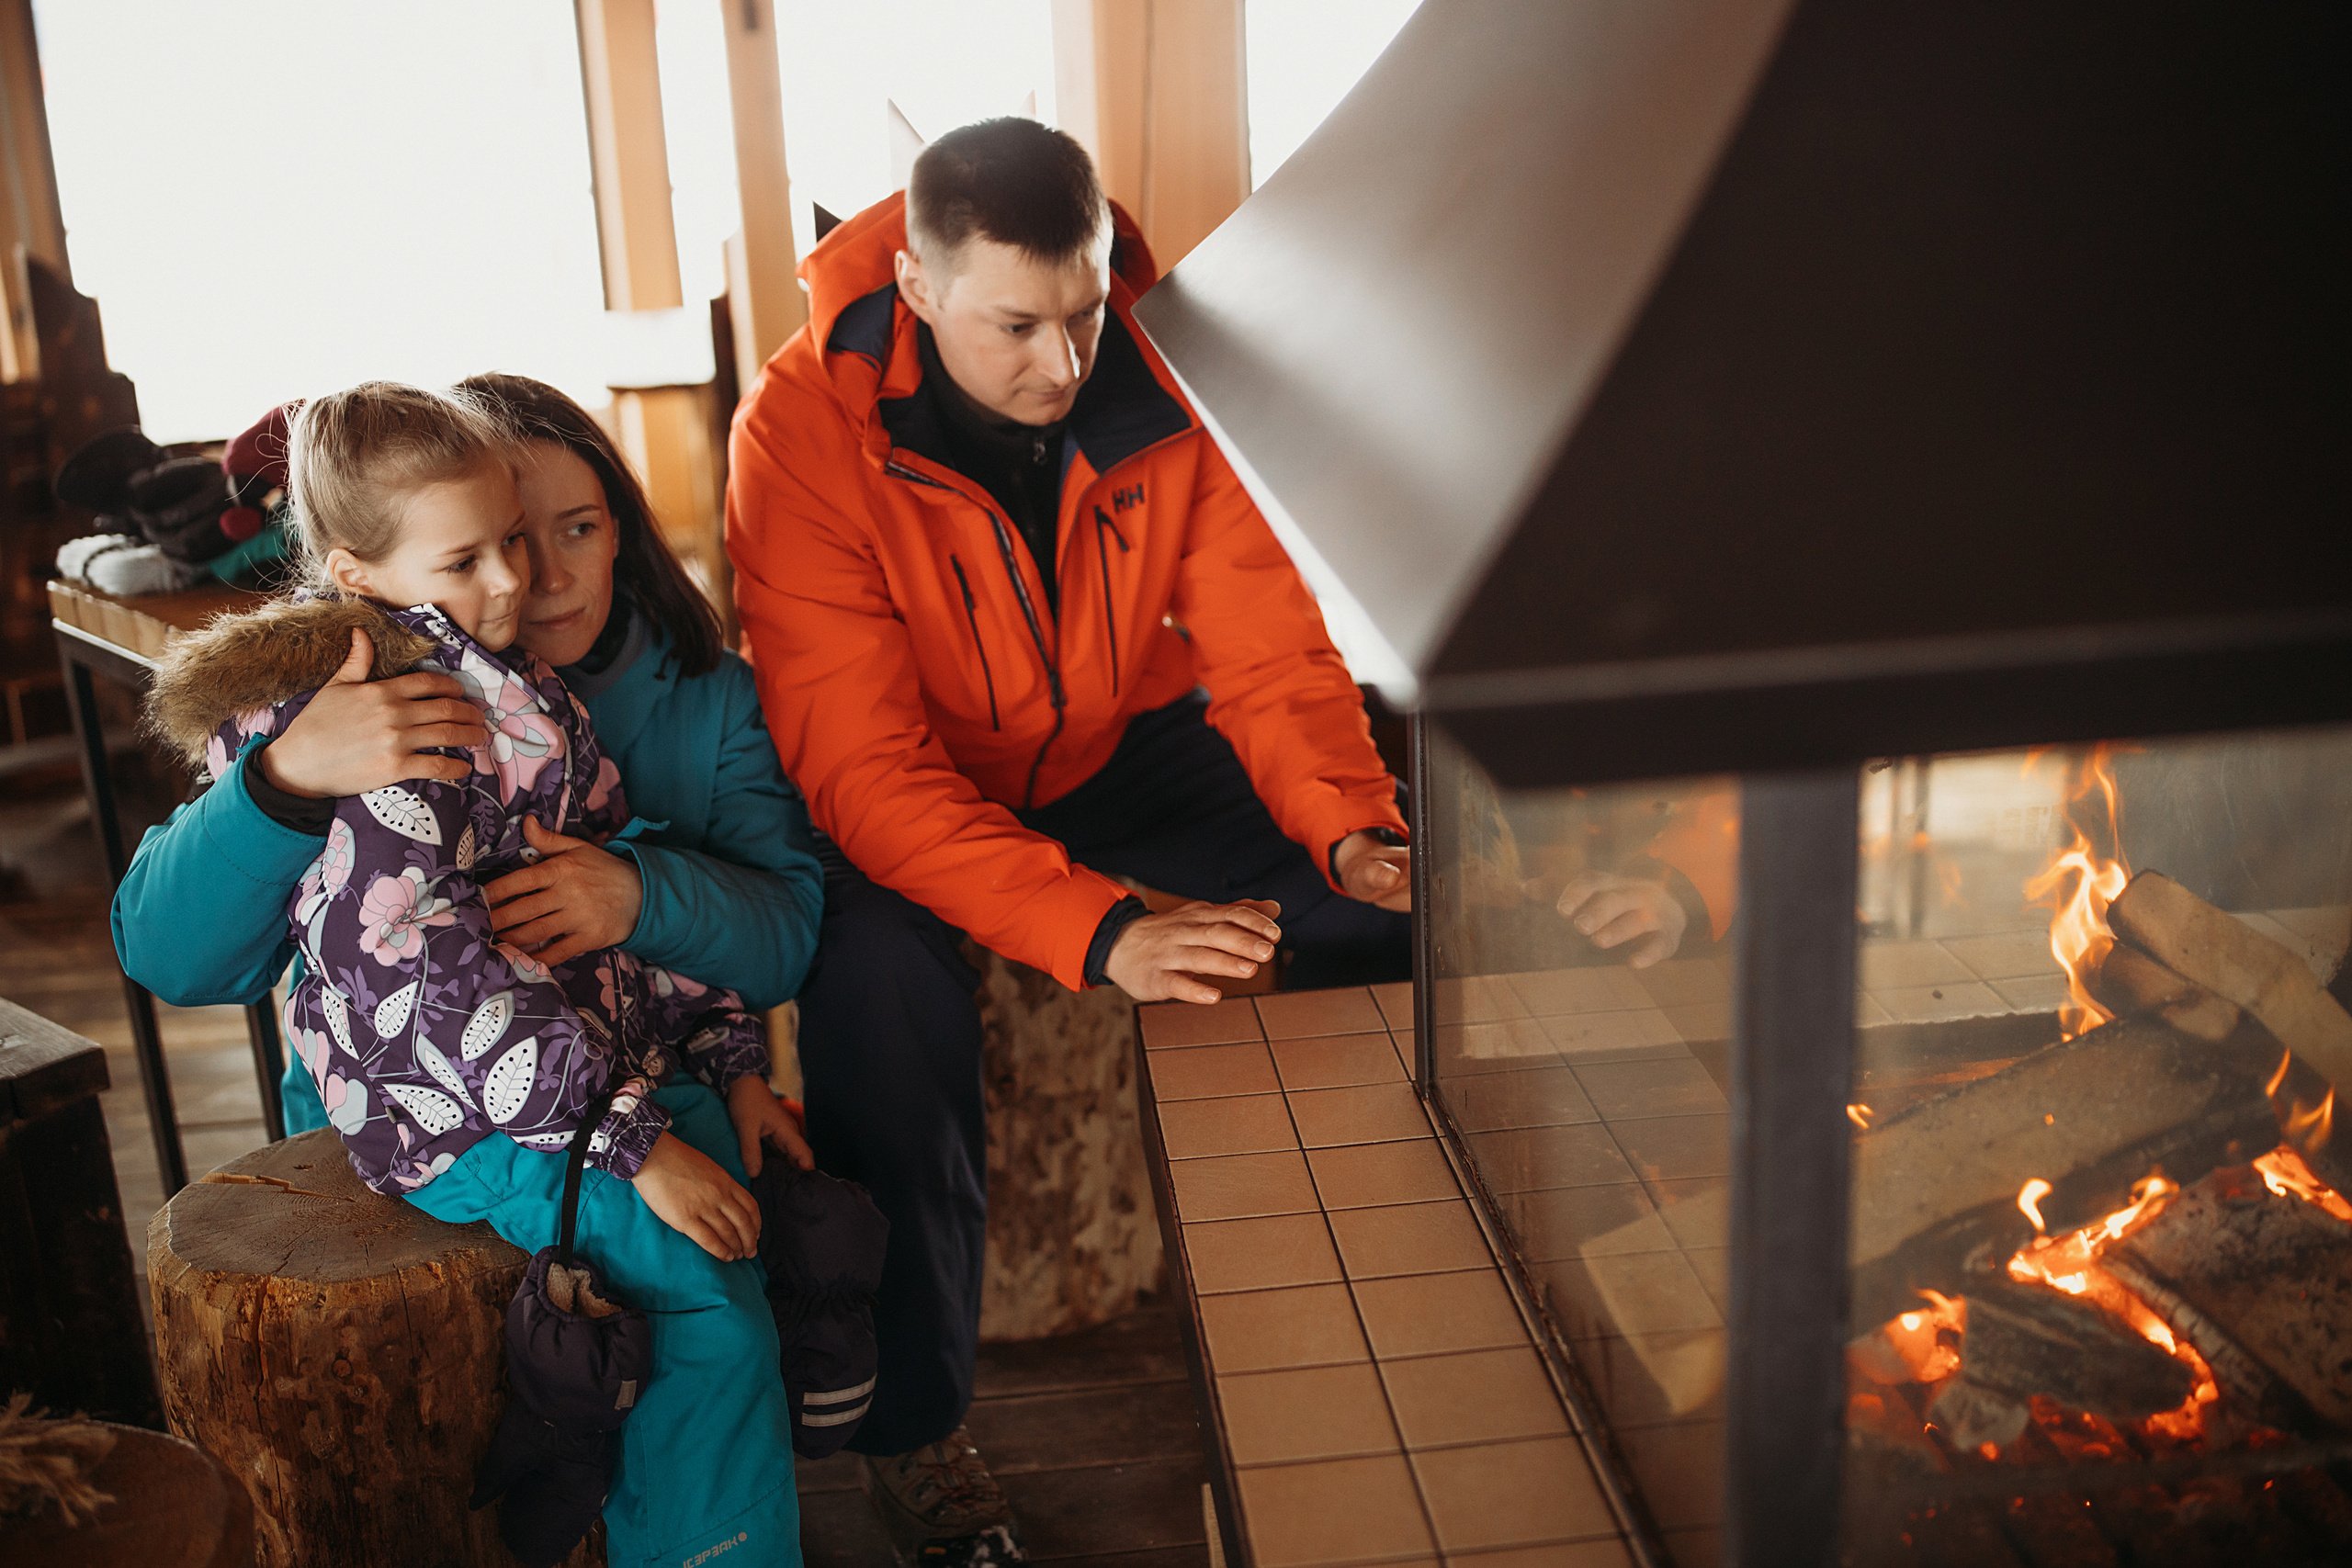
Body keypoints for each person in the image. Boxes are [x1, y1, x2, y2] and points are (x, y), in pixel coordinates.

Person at [724, 118, 1698, 1562]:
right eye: (1017, 327)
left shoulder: (1157, 358)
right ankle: (916, 1431)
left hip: (1122, 738)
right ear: (920, 289)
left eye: (1082, 310)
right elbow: (864, 770)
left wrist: (1354, 825)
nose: (1065, 365)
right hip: (917, 788)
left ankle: (1448, 1287)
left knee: (1401, 905)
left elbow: (1265, 651)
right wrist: (1104, 928)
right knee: (879, 999)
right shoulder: (800, 429)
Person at [139, 380, 812, 1568]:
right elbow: (415, 977)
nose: (517, 579)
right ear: (358, 567)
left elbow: (638, 920)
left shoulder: (522, 696)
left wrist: (726, 1056)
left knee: (748, 1208)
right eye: (472, 556)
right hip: (462, 1104)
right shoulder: (408, 719)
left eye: (550, 533)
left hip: (573, 1069)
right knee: (707, 1308)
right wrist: (628, 1137)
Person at [114, 374, 825, 1159]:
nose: (532, 579)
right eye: (486, 545)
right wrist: (281, 782)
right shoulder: (345, 692)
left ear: (620, 529)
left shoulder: (712, 696)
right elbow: (168, 958)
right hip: (409, 1148)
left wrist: (641, 895)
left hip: (642, 1100)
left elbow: (787, 936)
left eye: (577, 529)